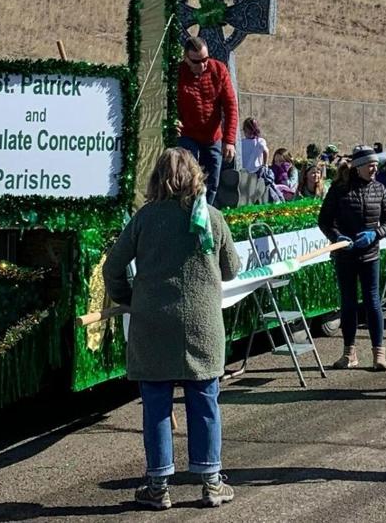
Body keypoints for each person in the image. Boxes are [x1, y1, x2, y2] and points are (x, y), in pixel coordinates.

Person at [103, 148, 242, 509]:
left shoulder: (144, 218)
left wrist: (130, 297)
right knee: (205, 402)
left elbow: (112, 268)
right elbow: (232, 269)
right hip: (203, 325)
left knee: (156, 405)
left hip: (152, 323)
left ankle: (158, 485)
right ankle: (211, 482)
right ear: (197, 176)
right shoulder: (212, 217)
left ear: (156, 178)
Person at [318, 145, 386, 371]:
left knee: (373, 302)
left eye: (375, 165)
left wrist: (375, 234)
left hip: (370, 254)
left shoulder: (379, 189)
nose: (374, 168)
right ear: (359, 167)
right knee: (348, 303)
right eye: (370, 165)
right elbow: (325, 220)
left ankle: (379, 353)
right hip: (345, 255)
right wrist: (338, 237)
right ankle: (349, 352)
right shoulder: (339, 189)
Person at [177, 37, 239, 204]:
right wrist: (172, 122)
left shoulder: (219, 70)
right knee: (189, 176)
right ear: (186, 58)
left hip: (212, 137)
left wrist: (229, 140)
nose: (202, 65)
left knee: (212, 182)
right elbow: (167, 103)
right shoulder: (178, 73)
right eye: (197, 61)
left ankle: (205, 215)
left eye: (205, 59)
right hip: (187, 134)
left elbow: (231, 106)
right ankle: (186, 211)